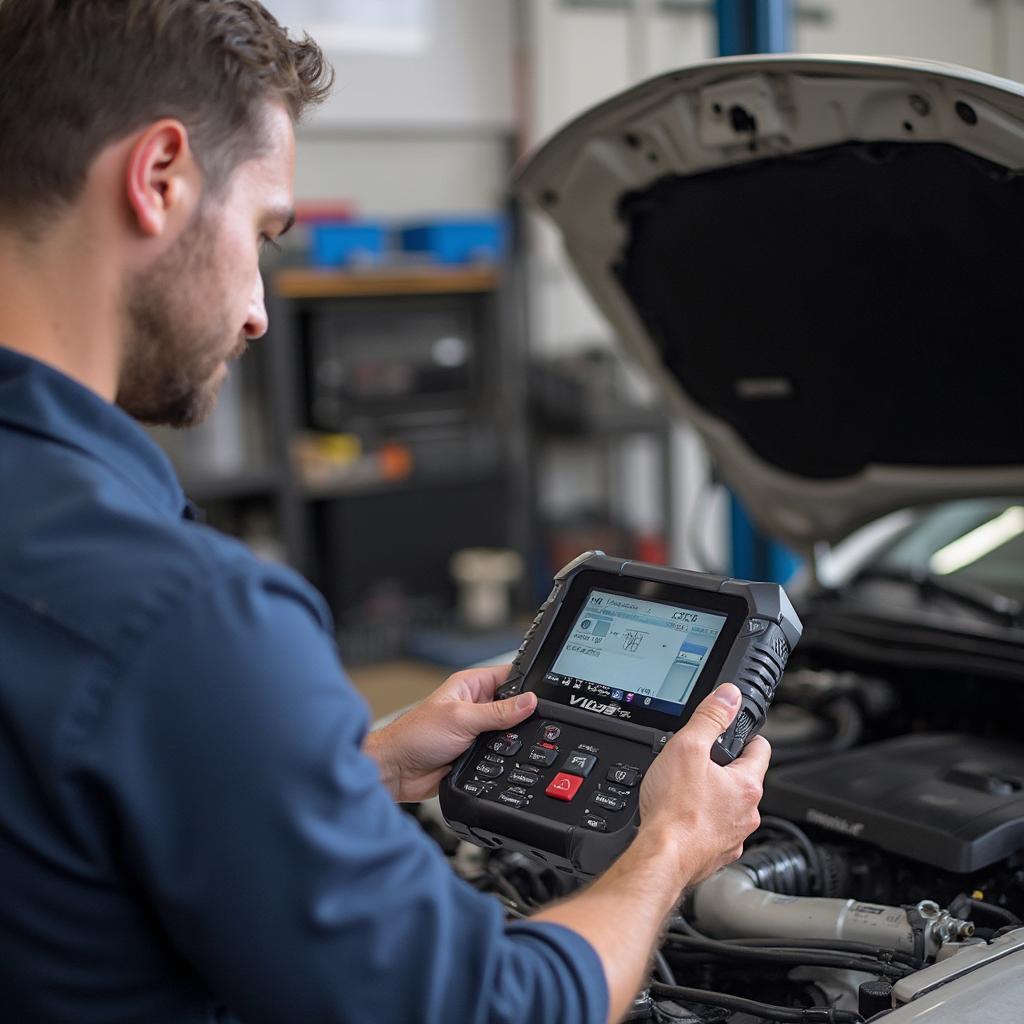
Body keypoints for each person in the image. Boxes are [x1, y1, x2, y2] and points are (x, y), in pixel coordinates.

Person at [0, 2, 771, 1022]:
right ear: (159, 179)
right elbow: (492, 1009)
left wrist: (341, 772)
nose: (259, 311)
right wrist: (672, 844)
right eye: (265, 232)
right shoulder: (185, 617)